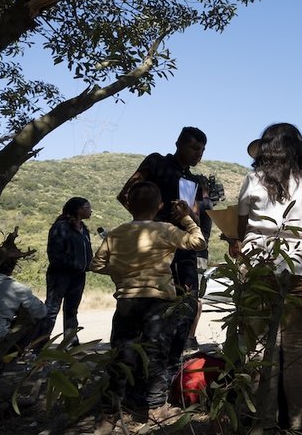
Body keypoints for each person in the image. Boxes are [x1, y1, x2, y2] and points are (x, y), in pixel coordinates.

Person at [236, 123, 302, 432]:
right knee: (300, 347)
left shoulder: (252, 180)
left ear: (265, 149)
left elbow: (240, 231)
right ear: (299, 148)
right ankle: (299, 425)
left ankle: (262, 424)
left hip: (261, 270)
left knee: (261, 347)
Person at [91, 182, 206, 430]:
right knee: (156, 354)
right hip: (158, 301)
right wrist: (187, 217)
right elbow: (198, 243)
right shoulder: (165, 230)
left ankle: (111, 412)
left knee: (122, 353)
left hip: (126, 301)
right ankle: (155, 407)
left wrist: (121, 273)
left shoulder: (116, 233)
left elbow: (97, 265)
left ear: (129, 205)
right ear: (160, 206)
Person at [116, 127, 206, 373]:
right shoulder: (156, 162)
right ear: (178, 143)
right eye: (194, 148)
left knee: (186, 305)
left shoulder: (194, 180)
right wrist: (148, 223)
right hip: (152, 249)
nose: (199, 154)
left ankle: (170, 367)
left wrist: (188, 216)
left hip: (183, 249)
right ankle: (132, 371)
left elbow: (196, 218)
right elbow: (126, 194)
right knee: (147, 308)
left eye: (202, 150)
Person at [44, 197, 93, 347]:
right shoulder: (61, 227)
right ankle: (39, 345)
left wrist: (88, 265)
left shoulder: (83, 229)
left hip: (78, 276)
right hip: (60, 275)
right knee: (52, 310)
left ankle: (71, 344)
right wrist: (75, 265)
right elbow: (55, 254)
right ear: (78, 209)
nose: (90, 210)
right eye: (87, 207)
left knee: (72, 311)